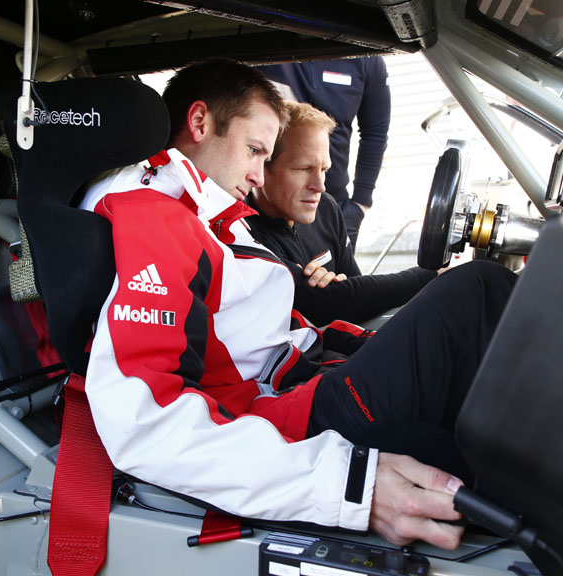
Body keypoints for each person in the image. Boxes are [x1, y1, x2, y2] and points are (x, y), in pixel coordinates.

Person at [79, 58, 516, 549]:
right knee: (478, 292)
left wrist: (377, 342)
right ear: (199, 122)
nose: (258, 173)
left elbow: (288, 333)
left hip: (308, 386)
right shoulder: (155, 216)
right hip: (284, 420)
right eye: (254, 151)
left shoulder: (216, 219)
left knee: (473, 419)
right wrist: (350, 487)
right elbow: (145, 420)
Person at [247, 101, 437, 326]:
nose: (320, 186)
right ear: (262, 166)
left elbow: (355, 290)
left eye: (324, 170)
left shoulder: (325, 207)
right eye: (303, 169)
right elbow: (326, 304)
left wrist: (343, 287)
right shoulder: (242, 232)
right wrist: (432, 276)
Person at [260, 57, 391, 251]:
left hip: (336, 203)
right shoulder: (269, 46)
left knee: (340, 277)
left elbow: (375, 132)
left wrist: (360, 203)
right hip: (273, 206)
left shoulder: (365, 56)